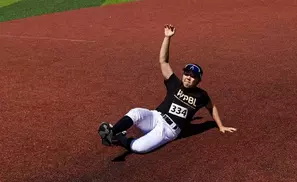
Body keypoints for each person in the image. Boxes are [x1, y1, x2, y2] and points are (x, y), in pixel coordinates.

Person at [98, 24, 236, 153]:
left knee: (138, 148)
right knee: (135, 113)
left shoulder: (201, 95)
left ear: (198, 80)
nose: (188, 77)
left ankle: (119, 138)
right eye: (186, 74)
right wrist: (167, 37)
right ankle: (112, 132)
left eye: (193, 76)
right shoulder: (175, 84)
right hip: (155, 116)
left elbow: (212, 107)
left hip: (168, 130)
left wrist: (221, 126)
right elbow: (163, 61)